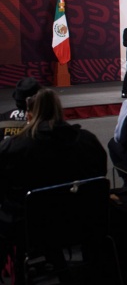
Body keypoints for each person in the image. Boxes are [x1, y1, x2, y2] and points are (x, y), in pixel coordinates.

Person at [0, 88, 107, 228]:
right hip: (79, 220)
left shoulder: (12, 147)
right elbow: (100, 173)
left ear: (29, 117)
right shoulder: (88, 140)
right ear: (60, 113)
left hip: (28, 225)